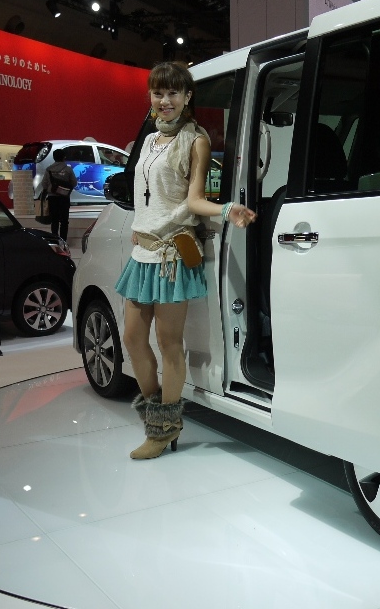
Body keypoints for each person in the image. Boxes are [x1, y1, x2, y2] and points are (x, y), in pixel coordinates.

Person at [115, 62, 257, 460]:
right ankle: (160, 416)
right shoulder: (148, 140)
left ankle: (162, 429)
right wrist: (141, 224)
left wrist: (226, 209)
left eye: (173, 93)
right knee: (132, 339)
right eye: (158, 93)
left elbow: (194, 200)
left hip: (171, 255)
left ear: (187, 97)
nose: (165, 100)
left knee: (168, 344)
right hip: (141, 252)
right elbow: (147, 195)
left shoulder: (195, 141)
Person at [40, 149, 77, 241]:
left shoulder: (49, 169)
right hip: (64, 198)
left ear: (54, 158)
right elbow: (74, 182)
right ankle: (63, 241)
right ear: (64, 157)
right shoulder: (68, 169)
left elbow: (44, 184)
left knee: (54, 220)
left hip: (52, 198)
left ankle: (55, 239)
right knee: (64, 221)